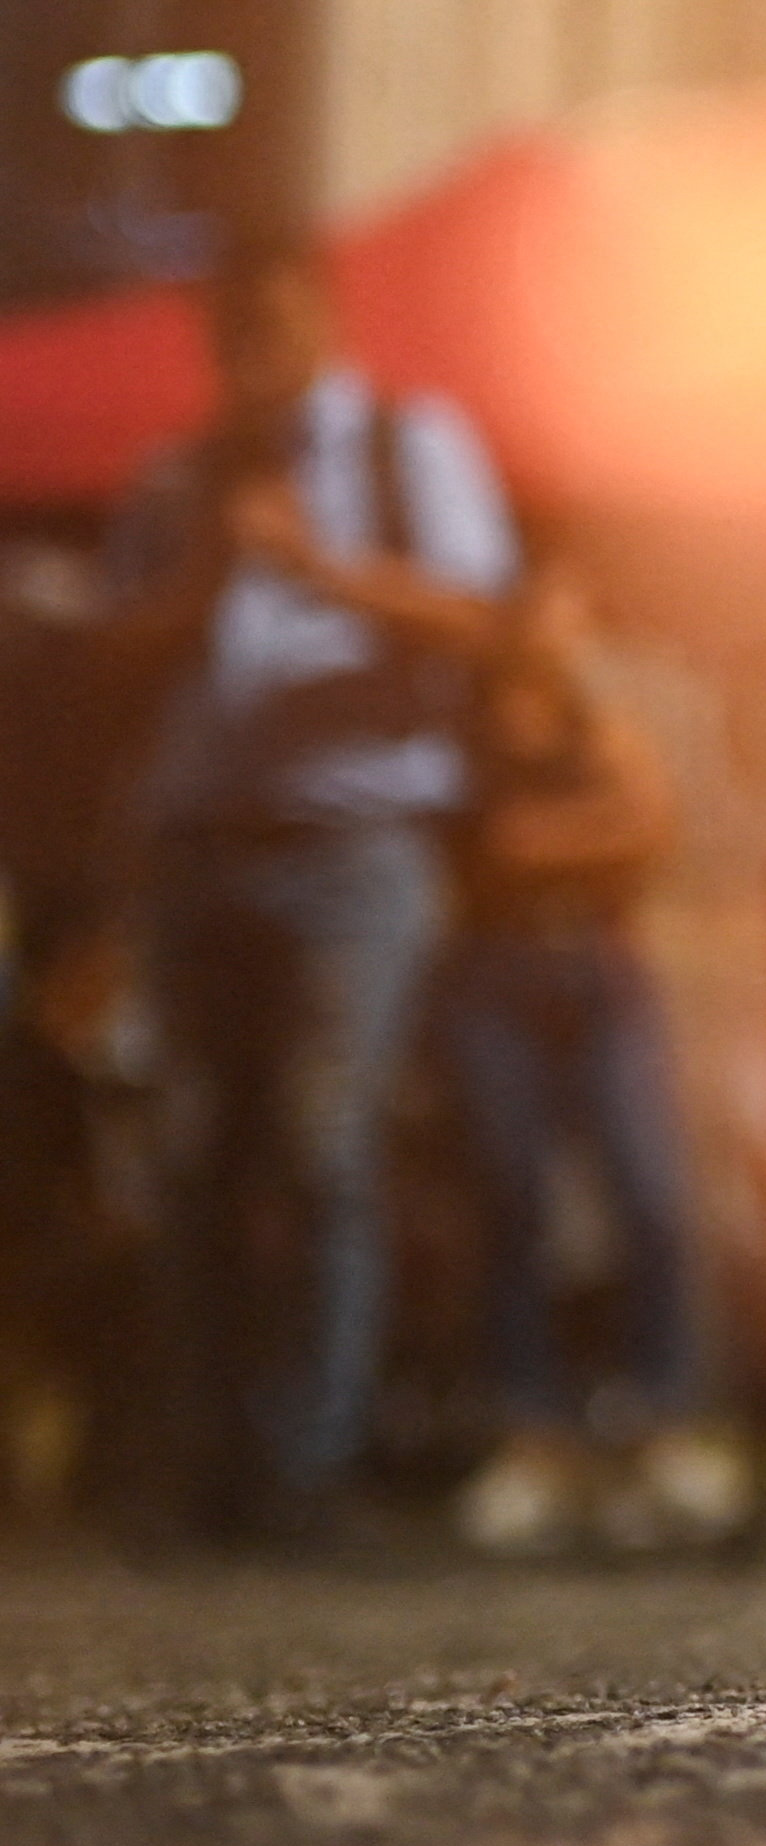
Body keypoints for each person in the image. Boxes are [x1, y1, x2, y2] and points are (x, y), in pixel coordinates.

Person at [101, 241, 516, 1539]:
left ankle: (310, 1462)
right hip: (197, 848)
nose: (254, 361)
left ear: (323, 323)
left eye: (276, 329)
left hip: (354, 850)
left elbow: (481, 620)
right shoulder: (181, 478)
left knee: (326, 1145)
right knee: (194, 1155)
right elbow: (113, 654)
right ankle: (206, 1460)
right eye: (234, 337)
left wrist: (316, 569)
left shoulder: (409, 450)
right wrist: (205, 586)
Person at [432, 561, 743, 1555]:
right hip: (498, 978)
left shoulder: (595, 721)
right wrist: (589, 835)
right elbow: (495, 848)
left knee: (652, 1196)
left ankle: (662, 1423)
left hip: (601, 976)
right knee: (512, 1195)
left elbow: (646, 824)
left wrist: (560, 839)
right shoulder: (462, 727)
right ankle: (535, 1432)